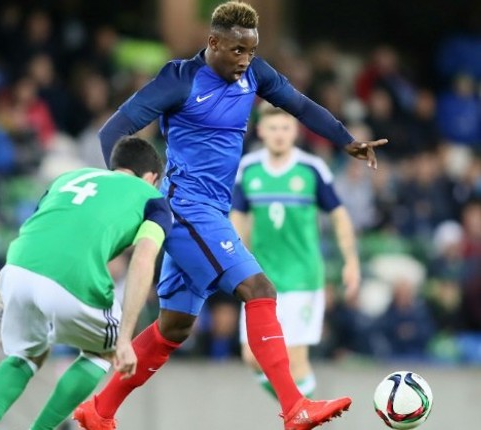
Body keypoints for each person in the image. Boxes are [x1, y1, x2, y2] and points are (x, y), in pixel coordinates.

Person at [72, 2, 387, 430]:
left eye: (251, 51)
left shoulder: (255, 74)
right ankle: (295, 406)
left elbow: (300, 105)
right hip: (187, 208)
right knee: (259, 290)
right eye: (237, 50)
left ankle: (98, 410)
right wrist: (128, 192)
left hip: (209, 209)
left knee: (174, 327)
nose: (244, 60)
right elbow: (113, 131)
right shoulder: (178, 79)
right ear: (213, 41)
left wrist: (346, 139)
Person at [0, 136, 172, 430]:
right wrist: (124, 340)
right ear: (152, 178)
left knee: (27, 352)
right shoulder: (152, 199)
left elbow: (38, 248)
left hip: (17, 270)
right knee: (103, 352)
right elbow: (144, 259)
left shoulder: (68, 179)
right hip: (72, 281)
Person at [230, 103, 360, 400]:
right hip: (260, 278)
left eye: (285, 128)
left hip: (302, 277)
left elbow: (339, 216)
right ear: (261, 130)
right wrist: (234, 261)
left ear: (296, 131)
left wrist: (351, 261)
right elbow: (238, 219)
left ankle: (301, 415)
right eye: (273, 128)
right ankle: (301, 410)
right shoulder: (248, 169)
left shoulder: (310, 169)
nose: (279, 134)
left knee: (292, 360)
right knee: (252, 356)